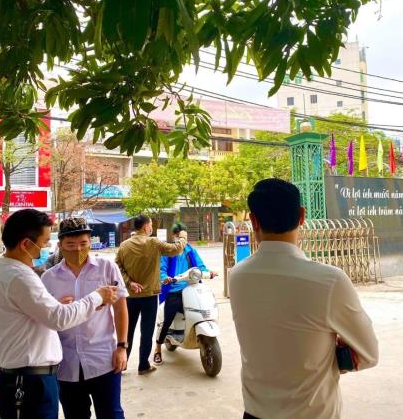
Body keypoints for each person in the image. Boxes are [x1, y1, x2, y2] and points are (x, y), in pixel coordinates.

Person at [229, 179, 379, 419]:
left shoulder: (237, 276)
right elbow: (369, 354)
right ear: (302, 216)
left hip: (255, 413)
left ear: (253, 220)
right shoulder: (330, 281)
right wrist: (331, 354)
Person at [0, 209, 119, 419]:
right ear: (26, 244)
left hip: (33, 377)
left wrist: (56, 306)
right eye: (45, 242)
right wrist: (97, 297)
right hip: (28, 381)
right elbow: (59, 318)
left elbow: (44, 315)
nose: (46, 247)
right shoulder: (21, 277)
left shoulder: (10, 273)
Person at [41, 218, 128, 419]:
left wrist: (122, 347)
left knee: (112, 414)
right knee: (75, 415)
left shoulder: (107, 268)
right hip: (66, 364)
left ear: (91, 242)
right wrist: (58, 308)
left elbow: (120, 308)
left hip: (104, 358)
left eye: (83, 243)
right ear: (60, 245)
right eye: (71, 244)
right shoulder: (49, 278)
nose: (78, 249)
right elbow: (44, 320)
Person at [115, 214, 187, 375]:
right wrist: (183, 237)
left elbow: (117, 267)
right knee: (146, 332)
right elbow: (176, 249)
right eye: (151, 225)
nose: (151, 228)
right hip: (149, 296)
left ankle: (122, 364)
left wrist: (129, 282)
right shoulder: (153, 242)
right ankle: (143, 365)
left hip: (130, 296)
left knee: (128, 331)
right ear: (146, 226)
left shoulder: (124, 245)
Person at [154, 223, 217, 365]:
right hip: (174, 290)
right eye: (181, 236)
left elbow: (200, 266)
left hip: (191, 288)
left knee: (200, 311)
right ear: (174, 236)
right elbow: (161, 269)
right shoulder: (168, 251)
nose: (184, 239)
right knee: (167, 320)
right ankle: (157, 349)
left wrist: (209, 272)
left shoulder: (190, 250)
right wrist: (165, 278)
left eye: (185, 236)